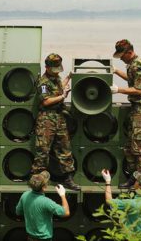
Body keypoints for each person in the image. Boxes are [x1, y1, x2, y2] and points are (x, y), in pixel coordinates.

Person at [31, 53, 80, 191]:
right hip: (46, 119)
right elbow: (46, 101)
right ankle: (37, 181)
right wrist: (62, 96)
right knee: (43, 151)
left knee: (65, 149)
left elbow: (58, 89)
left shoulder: (56, 78)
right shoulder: (43, 82)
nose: (57, 72)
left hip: (59, 118)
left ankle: (68, 178)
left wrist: (68, 79)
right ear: (46, 67)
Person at [110, 39, 141, 188]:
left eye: (122, 55)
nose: (121, 58)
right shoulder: (132, 65)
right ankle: (133, 178)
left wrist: (119, 90)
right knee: (129, 148)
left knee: (139, 150)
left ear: (129, 52)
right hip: (136, 110)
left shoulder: (137, 65)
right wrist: (116, 71)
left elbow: (139, 90)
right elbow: (132, 79)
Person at [16, 171, 70, 241]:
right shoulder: (46, 202)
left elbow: (18, 212)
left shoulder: (25, 195)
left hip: (30, 237)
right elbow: (66, 213)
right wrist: (62, 195)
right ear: (44, 187)